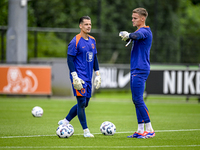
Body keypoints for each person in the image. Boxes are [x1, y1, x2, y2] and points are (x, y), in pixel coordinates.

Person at [58, 16, 101, 138]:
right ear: (80, 26)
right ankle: (86, 131)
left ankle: (65, 121)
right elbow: (69, 59)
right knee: (81, 102)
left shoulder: (93, 40)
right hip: (78, 77)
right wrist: (74, 75)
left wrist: (97, 73)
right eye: (86, 24)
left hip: (89, 76)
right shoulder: (75, 41)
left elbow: (95, 58)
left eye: (90, 24)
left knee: (85, 103)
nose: (89, 26)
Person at [119, 8, 155, 139]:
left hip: (140, 69)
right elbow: (134, 36)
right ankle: (140, 130)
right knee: (136, 100)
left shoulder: (144, 31)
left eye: (135, 18)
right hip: (136, 68)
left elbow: (136, 36)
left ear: (142, 19)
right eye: (132, 17)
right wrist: (130, 35)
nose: (132, 20)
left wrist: (128, 35)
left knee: (138, 99)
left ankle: (150, 129)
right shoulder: (139, 31)